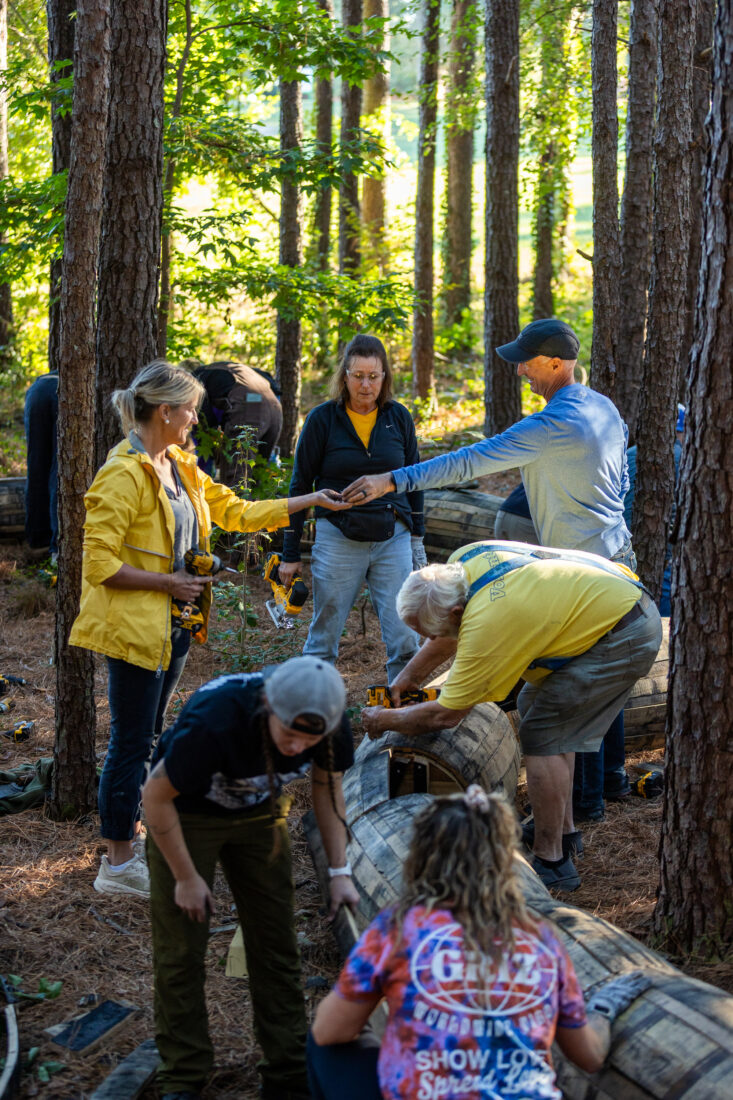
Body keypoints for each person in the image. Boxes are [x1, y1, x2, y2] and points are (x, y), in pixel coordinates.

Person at [69, 360, 349, 898]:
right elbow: (98, 564)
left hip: (172, 626)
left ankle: (137, 834)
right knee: (130, 743)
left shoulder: (177, 463)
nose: (197, 419)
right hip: (136, 627)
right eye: (191, 409)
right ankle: (117, 862)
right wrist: (168, 584)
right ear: (166, 410)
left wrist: (307, 501)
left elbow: (237, 511)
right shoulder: (122, 473)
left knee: (149, 734)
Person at [308, 785, 651, 1100]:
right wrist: (604, 1010)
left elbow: (330, 1031)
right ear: (506, 861)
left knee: (320, 1043)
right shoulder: (541, 937)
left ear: (422, 856)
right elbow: (588, 1056)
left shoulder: (400, 927)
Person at [360, 543, 662, 892]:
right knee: (536, 704)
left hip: (622, 633)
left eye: (429, 632)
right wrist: (407, 679)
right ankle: (564, 834)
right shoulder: (461, 565)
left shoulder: (489, 620)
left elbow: (447, 714)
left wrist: (382, 721)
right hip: (614, 607)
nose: (428, 639)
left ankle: (553, 862)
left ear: (457, 612)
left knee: (544, 736)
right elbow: (449, 633)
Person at [142, 656, 359, 1100]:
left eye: (310, 738)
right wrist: (185, 877)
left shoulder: (333, 724)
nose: (298, 748)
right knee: (181, 950)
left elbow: (327, 788)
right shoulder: (214, 722)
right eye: (289, 735)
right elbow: (155, 797)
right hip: (187, 816)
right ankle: (183, 1075)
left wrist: (339, 871)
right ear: (267, 708)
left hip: (260, 814)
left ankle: (287, 1074)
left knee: (276, 946)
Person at [342, 319, 633, 562]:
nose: (520, 370)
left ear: (556, 364)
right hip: (619, 553)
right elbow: (622, 468)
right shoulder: (603, 406)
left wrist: (391, 481)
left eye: (527, 362)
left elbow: (466, 463)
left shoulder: (545, 428)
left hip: (583, 569)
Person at [278, 334, 426, 682]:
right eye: (357, 375)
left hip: (393, 538)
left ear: (385, 377)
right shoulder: (322, 420)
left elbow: (413, 479)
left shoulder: (398, 418)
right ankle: (312, 712)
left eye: (373, 376)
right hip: (338, 536)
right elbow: (300, 486)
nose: (365, 384)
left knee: (405, 634)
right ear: (344, 376)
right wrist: (290, 552)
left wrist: (417, 538)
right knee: (324, 633)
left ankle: (403, 714)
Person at [193, 360, 283, 484]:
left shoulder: (196, 378)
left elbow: (202, 422)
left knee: (237, 476)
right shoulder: (233, 369)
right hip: (275, 407)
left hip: (249, 405)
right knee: (259, 473)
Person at [24, 369, 59, 557]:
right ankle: (57, 548)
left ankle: (37, 540)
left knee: (37, 465)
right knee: (60, 468)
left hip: (38, 389)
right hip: (60, 390)